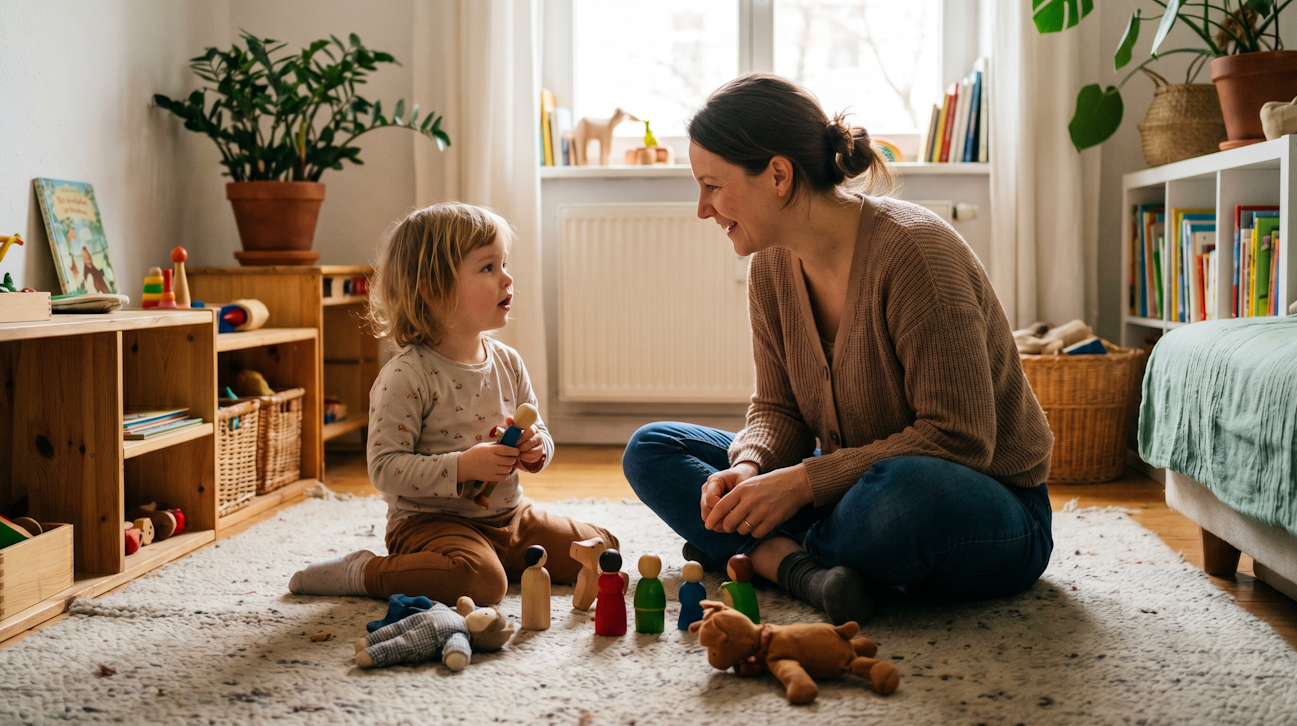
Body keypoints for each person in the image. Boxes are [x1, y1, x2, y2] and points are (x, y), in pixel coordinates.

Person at [622, 74, 1055, 626]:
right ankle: (807, 568)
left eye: (712, 185)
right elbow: (779, 409)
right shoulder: (771, 266)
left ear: (778, 175)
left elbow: (962, 438)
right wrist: (751, 466)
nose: (702, 209)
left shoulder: (916, 255)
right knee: (652, 449)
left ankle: (764, 555)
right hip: (850, 481)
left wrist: (800, 484)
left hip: (984, 504)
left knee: (896, 499)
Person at [290, 202, 618, 605]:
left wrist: (537, 448)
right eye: (488, 268)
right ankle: (364, 571)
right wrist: (463, 466)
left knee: (601, 547)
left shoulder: (507, 361)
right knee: (482, 584)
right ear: (433, 289)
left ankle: (498, 557)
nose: (507, 278)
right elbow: (384, 468)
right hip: (430, 523)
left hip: (509, 517)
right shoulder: (407, 375)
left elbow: (540, 432)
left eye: (504, 264)